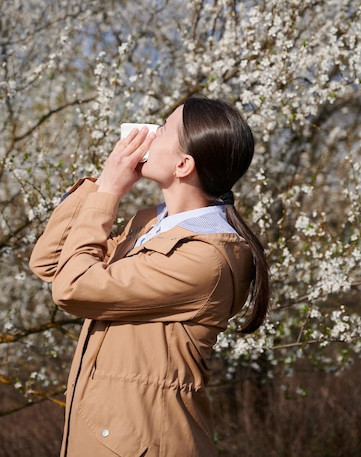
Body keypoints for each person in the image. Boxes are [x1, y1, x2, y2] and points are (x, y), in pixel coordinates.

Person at [29, 96, 270, 457]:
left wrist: (110, 191)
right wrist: (101, 186)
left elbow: (73, 288)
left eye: (163, 129)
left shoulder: (205, 258)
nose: (149, 133)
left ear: (183, 164)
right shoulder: (150, 223)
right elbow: (50, 263)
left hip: (144, 444)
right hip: (107, 435)